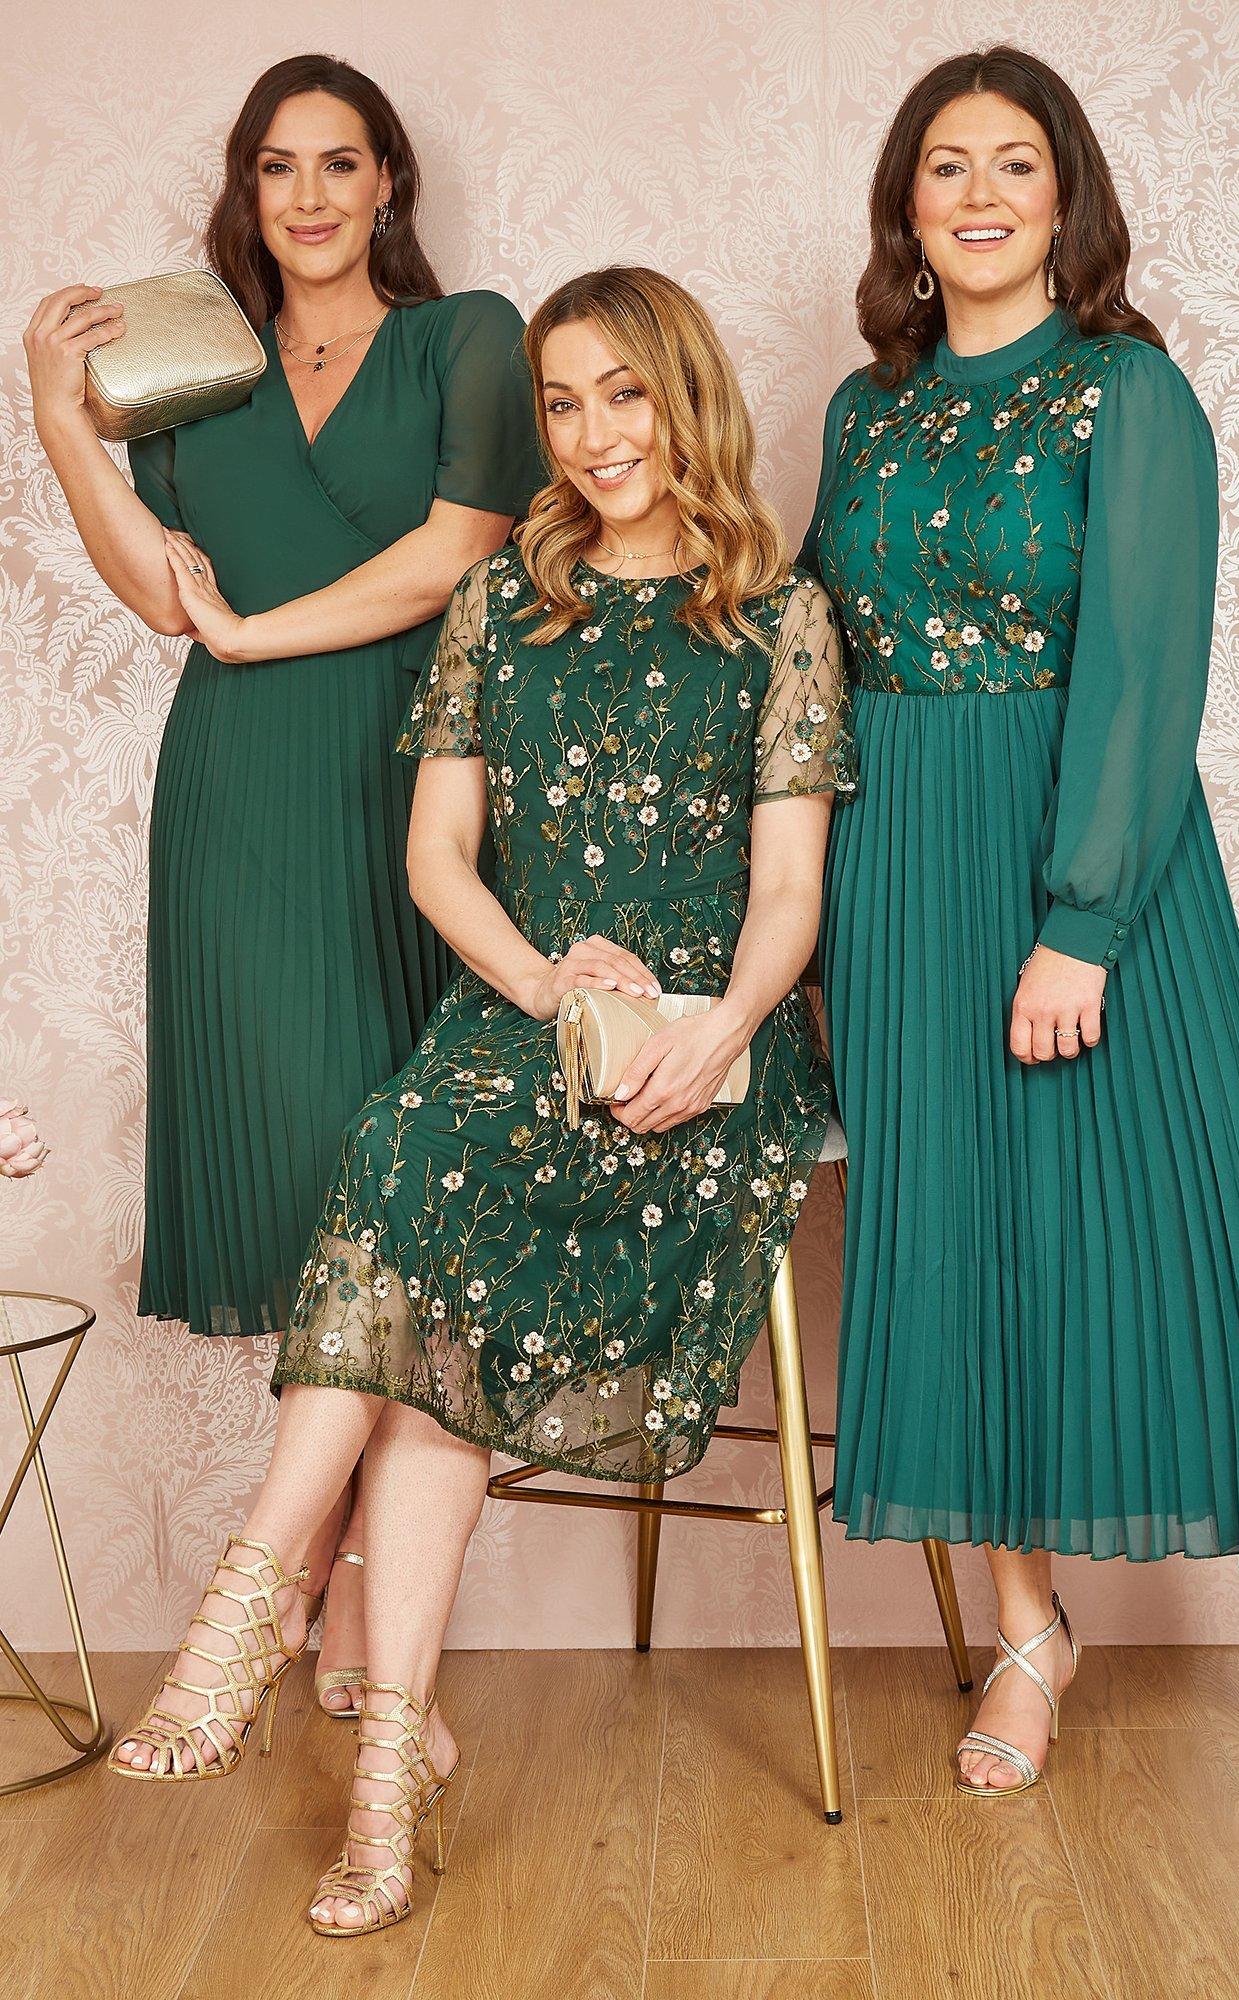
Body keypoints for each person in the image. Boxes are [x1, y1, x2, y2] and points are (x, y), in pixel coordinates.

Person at [110, 265, 855, 1937]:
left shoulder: (778, 613)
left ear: (687, 396)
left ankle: (265, 1622)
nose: (592, 435)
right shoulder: (503, 596)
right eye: (564, 403)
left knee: (424, 1238)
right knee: (412, 1159)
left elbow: (792, 892)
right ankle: (375, 1773)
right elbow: (437, 860)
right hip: (526, 1015)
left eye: (624, 395)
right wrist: (542, 988)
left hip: (711, 1039)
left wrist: (718, 1033)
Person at [803, 44, 1239, 1840]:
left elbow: (1148, 667)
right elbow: (813, 647)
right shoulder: (866, 412)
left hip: (1089, 857)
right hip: (896, 870)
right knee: (959, 1245)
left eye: (1017, 163)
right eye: (948, 164)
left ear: (1068, 199)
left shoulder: (1127, 393)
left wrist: (1082, 921)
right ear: (907, 205)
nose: (982, 194)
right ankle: (1027, 1631)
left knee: (1220, 1238)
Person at [23, 53, 540, 1719]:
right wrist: (58, 418)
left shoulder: (468, 340)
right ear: (246, 191)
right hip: (242, 796)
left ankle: (323, 1574)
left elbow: (457, 553)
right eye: (277, 167)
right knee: (320, 1180)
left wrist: (256, 633)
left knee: (401, 1185)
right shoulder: (191, 369)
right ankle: (333, 1579)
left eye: (340, 162)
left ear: (390, 182)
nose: (309, 196)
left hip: (422, 781)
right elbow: (157, 594)